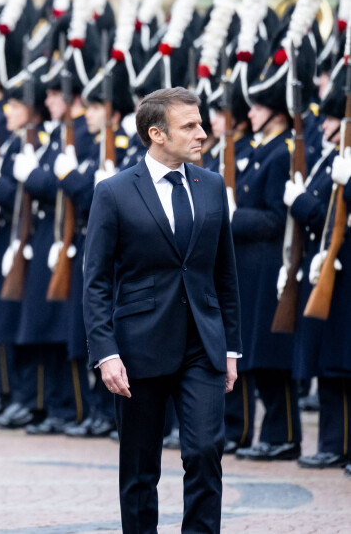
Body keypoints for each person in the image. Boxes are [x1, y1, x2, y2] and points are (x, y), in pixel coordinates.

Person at [83, 87, 241, 533]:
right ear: (156, 134)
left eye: (200, 122)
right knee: (139, 469)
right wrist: (105, 352)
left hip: (202, 346)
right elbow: (95, 281)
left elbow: (224, 273)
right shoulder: (113, 192)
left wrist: (231, 349)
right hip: (138, 349)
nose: (201, 133)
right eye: (189, 126)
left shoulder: (210, 185)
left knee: (205, 451)